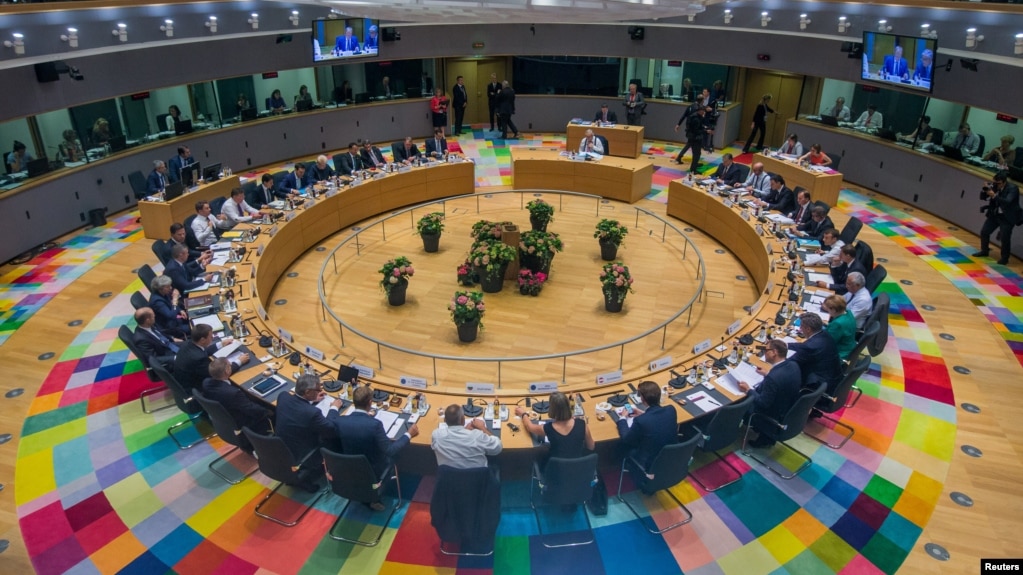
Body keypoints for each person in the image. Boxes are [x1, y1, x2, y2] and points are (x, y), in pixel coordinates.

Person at [331, 386, 418, 507]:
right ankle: (376, 494)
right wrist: (409, 434)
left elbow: (329, 421)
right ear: (370, 403)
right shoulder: (374, 425)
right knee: (396, 455)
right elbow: (390, 450)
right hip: (374, 471)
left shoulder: (341, 421)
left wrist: (334, 407)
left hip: (347, 468)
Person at [738, 339, 802, 448]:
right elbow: (782, 381)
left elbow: (762, 403)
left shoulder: (773, 377)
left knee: (740, 404)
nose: (764, 352)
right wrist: (767, 374)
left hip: (771, 414)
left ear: (774, 353)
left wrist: (748, 389)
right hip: (788, 409)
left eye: (766, 350)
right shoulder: (793, 365)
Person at [275, 374, 342, 475]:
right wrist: (334, 408)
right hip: (305, 454)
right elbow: (330, 428)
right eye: (317, 390)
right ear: (307, 392)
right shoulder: (312, 413)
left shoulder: (283, 396)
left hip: (282, 447)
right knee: (337, 437)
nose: (320, 391)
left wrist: (311, 400)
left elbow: (296, 408)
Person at [616, 380, 677, 492]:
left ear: (643, 399)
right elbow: (657, 419)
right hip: (670, 458)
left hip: (648, 461)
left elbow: (626, 438)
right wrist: (644, 414)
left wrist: (622, 419)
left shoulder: (641, 421)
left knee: (620, 448)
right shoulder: (671, 410)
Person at [514, 392, 594, 470]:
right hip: (578, 469)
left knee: (540, 451)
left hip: (556, 473)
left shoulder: (548, 428)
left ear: (552, 409)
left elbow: (529, 427)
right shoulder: (582, 424)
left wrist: (523, 414)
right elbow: (591, 447)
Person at [201, 358, 272, 438]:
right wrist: (268, 411)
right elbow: (253, 410)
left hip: (225, 420)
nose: (231, 365)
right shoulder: (233, 393)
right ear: (227, 371)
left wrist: (239, 362)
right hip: (246, 423)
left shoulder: (206, 383)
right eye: (230, 365)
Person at [173, 323, 248, 396]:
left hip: (185, 380)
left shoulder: (188, 343)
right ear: (202, 340)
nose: (213, 337)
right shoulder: (199, 358)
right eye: (211, 336)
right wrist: (239, 361)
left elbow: (203, 351)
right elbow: (219, 373)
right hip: (196, 389)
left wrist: (221, 344)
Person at [431, 404, 502, 469]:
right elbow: (498, 447)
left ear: (445, 420)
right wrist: (482, 428)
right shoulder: (476, 436)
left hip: (450, 479)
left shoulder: (437, 435)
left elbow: (456, 441)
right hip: (477, 479)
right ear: (463, 420)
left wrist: (465, 430)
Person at [787, 313, 843, 392]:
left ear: (808, 329)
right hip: (833, 377)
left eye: (801, 326)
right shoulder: (824, 334)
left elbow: (788, 362)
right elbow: (803, 346)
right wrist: (785, 345)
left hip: (820, 386)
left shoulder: (811, 346)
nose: (800, 328)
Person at [975, 170, 1020, 265]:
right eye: (995, 183)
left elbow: (1007, 202)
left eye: (998, 183)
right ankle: (984, 250)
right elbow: (983, 198)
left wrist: (994, 196)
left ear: (1004, 182)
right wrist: (984, 189)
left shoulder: (1013, 188)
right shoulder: (994, 186)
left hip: (1007, 217)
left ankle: (1004, 258)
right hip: (995, 214)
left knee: (1005, 238)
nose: (996, 185)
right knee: (984, 231)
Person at [822, 295, 858, 359]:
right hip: (848, 347)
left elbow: (826, 342)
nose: (828, 312)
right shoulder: (848, 312)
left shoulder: (838, 324)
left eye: (828, 310)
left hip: (839, 353)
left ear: (834, 310)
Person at [678, 106, 709, 172]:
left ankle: (693, 167)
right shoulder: (696, 118)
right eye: (703, 111)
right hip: (695, 138)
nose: (704, 112)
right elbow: (696, 130)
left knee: (696, 153)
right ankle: (693, 169)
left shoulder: (695, 116)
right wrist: (706, 131)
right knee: (696, 154)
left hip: (692, 137)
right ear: (700, 110)